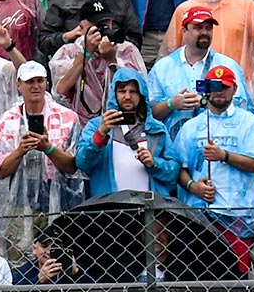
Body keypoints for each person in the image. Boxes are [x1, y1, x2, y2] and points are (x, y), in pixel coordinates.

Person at [173, 65, 254, 274]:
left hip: (239, 217)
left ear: (234, 89)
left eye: (224, 87)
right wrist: (194, 187)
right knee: (200, 280)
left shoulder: (248, 122)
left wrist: (224, 156)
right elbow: (177, 167)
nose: (219, 91)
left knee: (238, 279)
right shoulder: (191, 127)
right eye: (214, 86)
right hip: (200, 220)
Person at [0, 61, 82, 261]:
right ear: (18, 85)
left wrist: (48, 148)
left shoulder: (68, 118)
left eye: (40, 81)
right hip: (18, 201)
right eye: (30, 81)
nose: (35, 86)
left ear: (46, 83)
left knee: (58, 256)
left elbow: (73, 166)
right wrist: (20, 151)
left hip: (58, 197)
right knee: (20, 257)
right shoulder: (6, 121)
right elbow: (0, 170)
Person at [146, 6, 254, 135]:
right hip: (173, 149)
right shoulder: (162, 68)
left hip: (219, 144)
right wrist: (172, 104)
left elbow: (242, 107)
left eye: (208, 28)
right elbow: (149, 113)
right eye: (198, 28)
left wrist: (205, 103)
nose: (204, 32)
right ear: (184, 31)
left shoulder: (227, 65)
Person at [74, 68, 181, 197]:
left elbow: (174, 172)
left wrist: (154, 163)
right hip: (109, 208)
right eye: (122, 91)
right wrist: (100, 135)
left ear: (141, 94)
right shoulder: (97, 125)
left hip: (150, 210)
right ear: (114, 94)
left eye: (133, 92)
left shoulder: (157, 128)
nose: (128, 96)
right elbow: (82, 163)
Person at [165, 0, 254, 101]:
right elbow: (172, 55)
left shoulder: (245, 5)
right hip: (197, 95)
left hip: (239, 93)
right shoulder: (184, 10)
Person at [50, 0, 147, 122]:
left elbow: (137, 92)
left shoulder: (127, 51)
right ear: (81, 28)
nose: (103, 31)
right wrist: (85, 54)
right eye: (97, 26)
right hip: (80, 124)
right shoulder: (68, 52)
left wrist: (112, 61)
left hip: (119, 122)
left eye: (106, 25)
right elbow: (60, 92)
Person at [40, 0, 140, 60]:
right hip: (71, 70)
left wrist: (115, 46)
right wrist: (69, 36)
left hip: (112, 68)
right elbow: (44, 42)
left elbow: (135, 40)